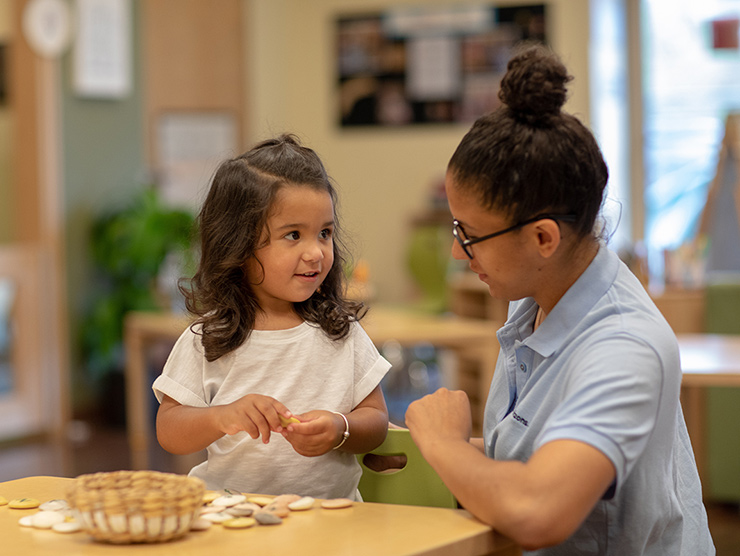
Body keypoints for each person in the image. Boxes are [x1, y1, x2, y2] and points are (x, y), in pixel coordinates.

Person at [404, 45, 715, 555]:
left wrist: (443, 443)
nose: (459, 256)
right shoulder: (533, 300)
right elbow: (532, 460)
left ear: (543, 238)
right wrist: (414, 447)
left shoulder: (625, 347)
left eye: (470, 235)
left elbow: (538, 511)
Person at [153, 134, 391, 500]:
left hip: (332, 522)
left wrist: (341, 429)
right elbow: (170, 429)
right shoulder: (211, 336)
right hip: (234, 520)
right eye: (293, 235)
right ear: (239, 245)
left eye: (324, 233)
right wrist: (222, 416)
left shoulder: (340, 331)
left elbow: (376, 421)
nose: (316, 252)